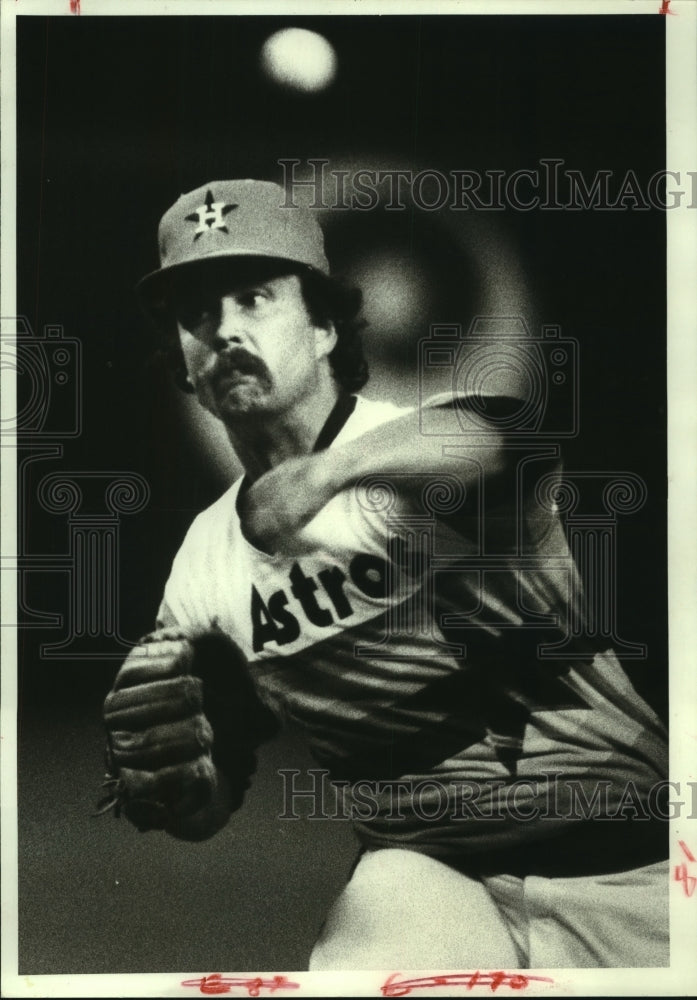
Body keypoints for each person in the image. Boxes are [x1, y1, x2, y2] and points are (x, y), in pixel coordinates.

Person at [123, 178, 668, 969]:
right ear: (182, 357)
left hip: (630, 860)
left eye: (252, 299)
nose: (223, 329)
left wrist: (323, 475)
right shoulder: (202, 569)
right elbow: (207, 796)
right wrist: (176, 787)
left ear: (321, 327)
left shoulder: (416, 440)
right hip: (433, 881)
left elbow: (506, 442)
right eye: (196, 314)